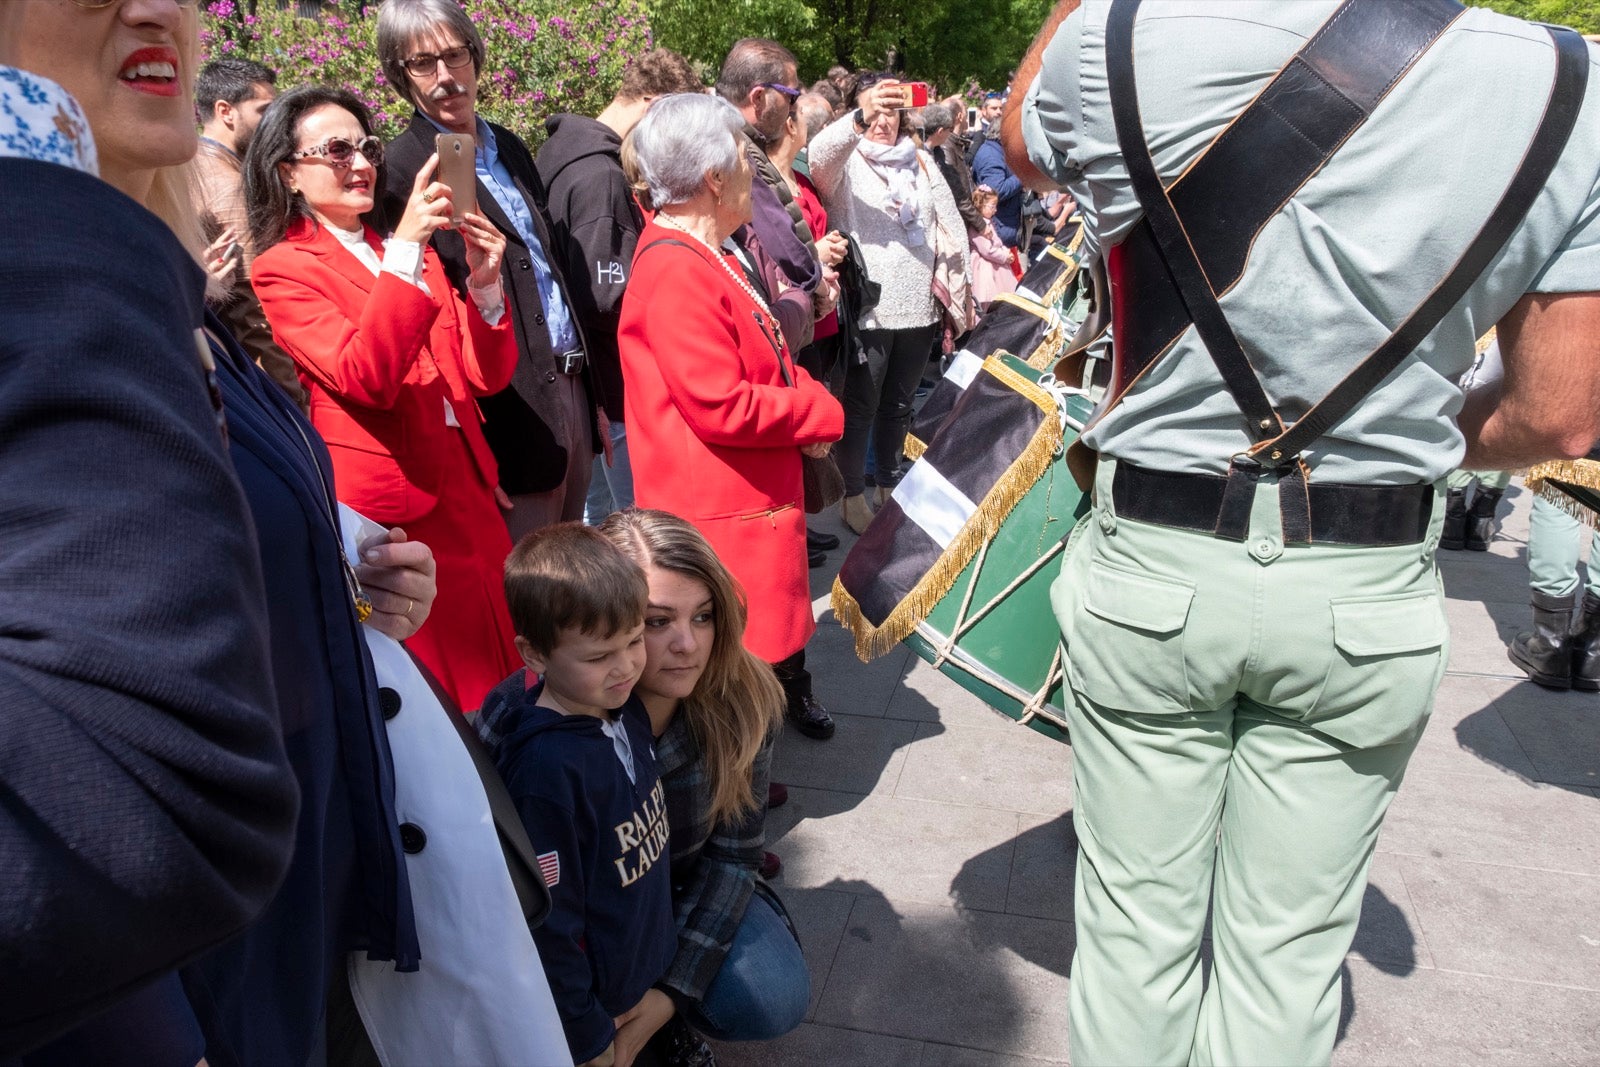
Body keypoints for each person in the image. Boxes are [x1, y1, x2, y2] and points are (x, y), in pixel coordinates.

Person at [1007, 1, 1600, 1063]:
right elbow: (1561, 413)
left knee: (1132, 936)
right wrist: (1402, 442)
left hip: (1155, 560)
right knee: (1286, 956)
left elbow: (1022, 144)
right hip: (1362, 583)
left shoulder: (1110, 33)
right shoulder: (1569, 78)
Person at [0, 10, 296, 1050]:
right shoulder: (57, 263)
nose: (158, 7)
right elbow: (143, 802)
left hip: (227, 935)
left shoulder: (159, 279)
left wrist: (338, 563)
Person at [244, 85, 521, 714]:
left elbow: (480, 376)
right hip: (392, 506)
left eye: (365, 147)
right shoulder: (283, 268)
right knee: (443, 695)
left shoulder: (399, 253)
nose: (362, 163)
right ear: (288, 173)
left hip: (465, 487)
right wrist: (405, 248)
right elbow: (366, 375)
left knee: (509, 662)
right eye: (337, 151)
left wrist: (484, 290)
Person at [619, 94, 846, 745]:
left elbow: (765, 360)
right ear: (714, 177)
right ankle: (726, 832)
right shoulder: (676, 265)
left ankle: (735, 810)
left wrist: (799, 400)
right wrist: (816, 410)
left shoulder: (704, 250)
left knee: (734, 704)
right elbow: (721, 402)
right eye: (743, 158)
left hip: (739, 511)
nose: (755, 170)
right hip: (720, 521)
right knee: (716, 709)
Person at [379, 0, 600, 537]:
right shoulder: (400, 171)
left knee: (573, 580)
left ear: (476, 58)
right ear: (397, 74)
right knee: (530, 593)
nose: (444, 76)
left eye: (455, 56)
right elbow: (421, 320)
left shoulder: (511, 148)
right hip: (503, 414)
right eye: (422, 63)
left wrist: (590, 394)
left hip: (567, 385)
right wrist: (472, 449)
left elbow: (550, 270)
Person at [598, 509, 811, 1054]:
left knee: (771, 994)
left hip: (682, 888)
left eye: (703, 616)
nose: (688, 644)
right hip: (588, 914)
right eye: (656, 620)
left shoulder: (745, 698)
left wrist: (669, 996)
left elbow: (735, 856)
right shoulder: (548, 709)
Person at [477, 524, 675, 1067]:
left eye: (634, 640)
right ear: (534, 655)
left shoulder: (622, 704)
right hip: (591, 1007)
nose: (627, 666)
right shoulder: (545, 772)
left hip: (637, 966)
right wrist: (586, 1035)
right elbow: (550, 918)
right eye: (597, 656)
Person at [537, 48, 704, 525]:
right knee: (635, 527)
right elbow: (604, 294)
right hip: (614, 387)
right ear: (652, 105)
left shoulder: (563, 149)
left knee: (604, 521)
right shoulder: (600, 176)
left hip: (591, 384)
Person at [807, 75, 970, 534]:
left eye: (891, 113)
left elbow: (950, 221)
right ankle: (852, 494)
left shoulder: (918, 159)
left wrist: (960, 289)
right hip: (871, 309)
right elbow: (819, 154)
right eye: (874, 114)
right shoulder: (847, 164)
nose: (883, 122)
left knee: (899, 404)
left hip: (919, 305)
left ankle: (888, 484)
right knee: (861, 405)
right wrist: (859, 114)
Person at [191, 56, 305, 407]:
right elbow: (253, 309)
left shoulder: (189, 166)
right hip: (261, 382)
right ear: (226, 111)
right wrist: (293, 401)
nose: (274, 123)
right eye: (263, 110)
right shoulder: (227, 186)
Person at [972, 117, 1022, 247]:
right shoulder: (991, 156)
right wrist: (1022, 175)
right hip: (1000, 227)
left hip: (1006, 224)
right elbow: (997, 190)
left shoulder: (997, 151)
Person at [969, 187, 1019, 309]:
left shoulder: (988, 222)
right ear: (981, 205)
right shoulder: (978, 226)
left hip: (996, 264)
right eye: (992, 206)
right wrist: (1004, 256)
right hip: (986, 267)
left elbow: (996, 244)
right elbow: (987, 250)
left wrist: (1005, 251)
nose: (995, 210)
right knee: (989, 297)